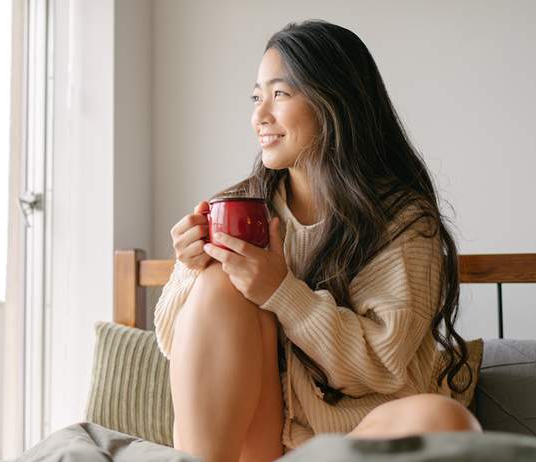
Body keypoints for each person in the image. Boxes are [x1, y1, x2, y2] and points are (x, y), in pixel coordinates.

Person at [154, 19, 482, 462]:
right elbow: (178, 345)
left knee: (444, 420)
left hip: (352, 443)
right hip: (260, 441)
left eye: (280, 94)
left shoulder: (403, 220)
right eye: (256, 97)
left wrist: (282, 293)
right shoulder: (239, 208)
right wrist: (190, 269)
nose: (259, 116)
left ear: (335, 102)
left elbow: (383, 366)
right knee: (218, 284)